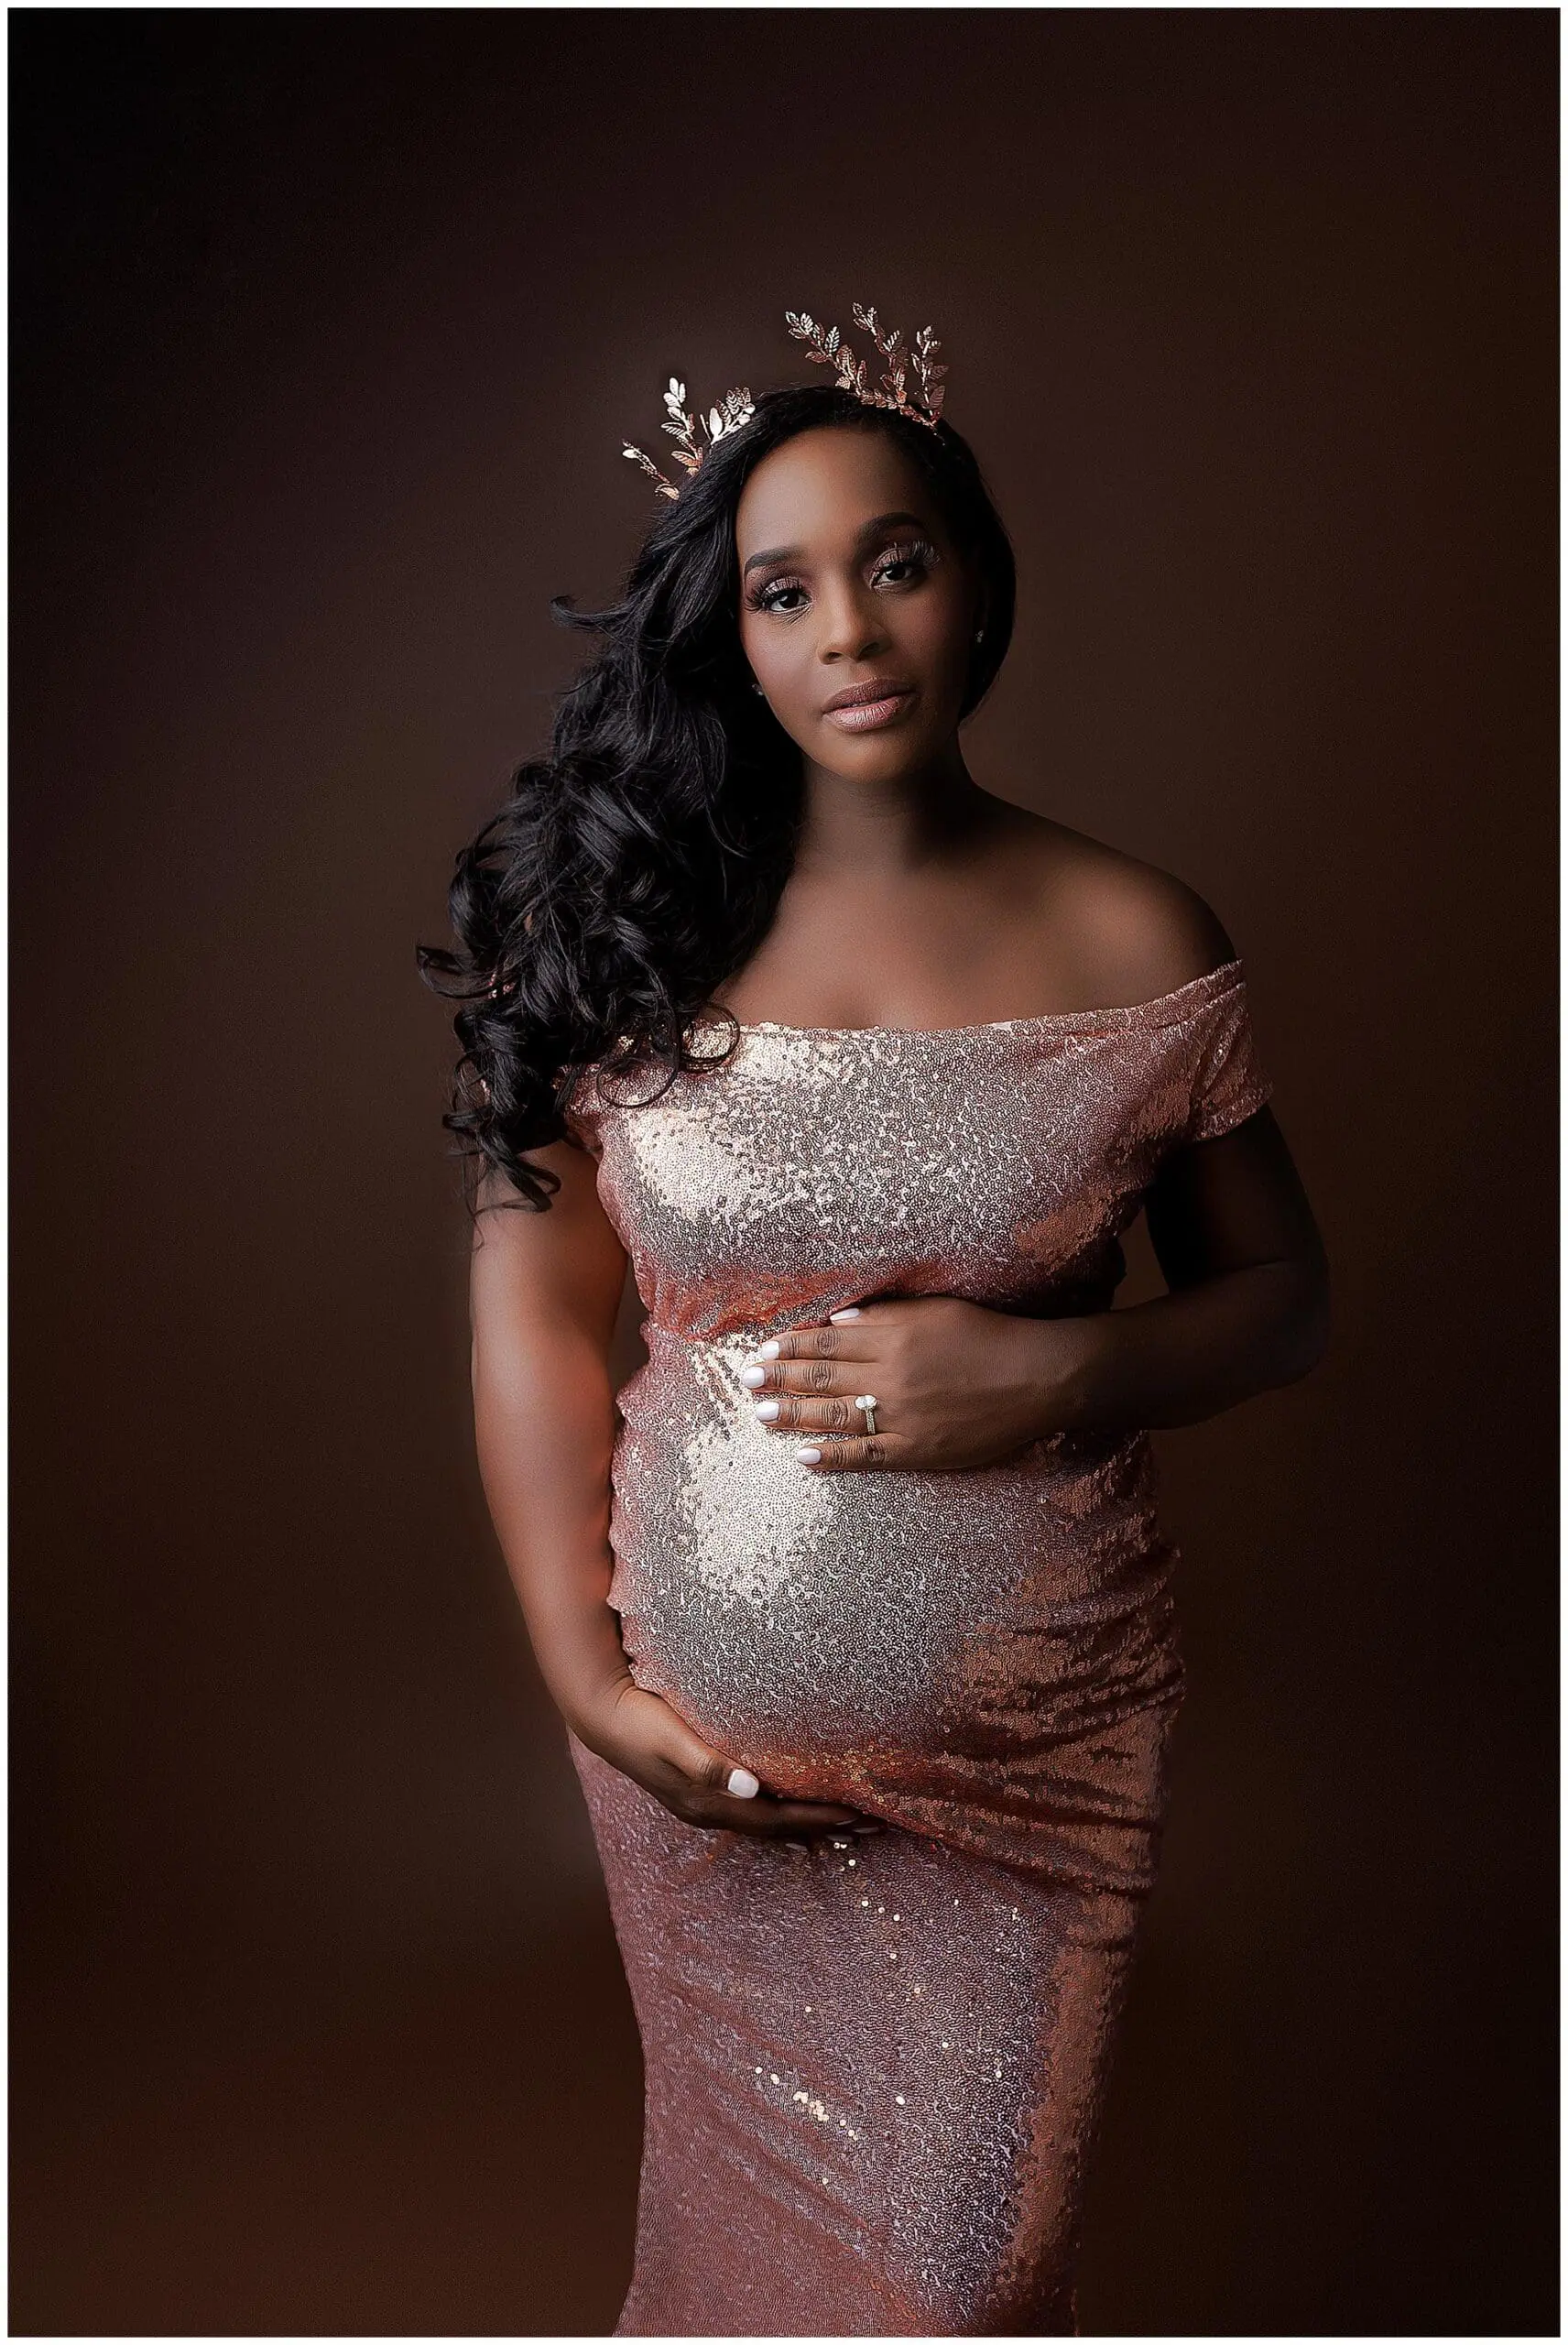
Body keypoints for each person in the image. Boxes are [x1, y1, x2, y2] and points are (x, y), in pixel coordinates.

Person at [418, 302, 1330, 2338]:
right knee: (742, 2257)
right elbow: (536, 1304)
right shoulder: (632, 932)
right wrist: (586, 1678)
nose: (849, 628)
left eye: (895, 561)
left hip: (1036, 1750)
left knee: (952, 2278)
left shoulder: (1133, 934)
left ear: (977, 585)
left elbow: (1284, 1301)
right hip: (700, 1762)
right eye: (783, 587)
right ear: (729, 637)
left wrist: (1062, 1366)